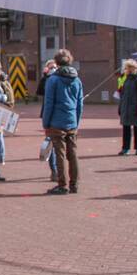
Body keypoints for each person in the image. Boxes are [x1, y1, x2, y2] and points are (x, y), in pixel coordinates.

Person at [43, 49, 84, 195]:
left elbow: (48, 103)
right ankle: (74, 184)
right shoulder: (77, 80)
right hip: (71, 121)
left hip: (56, 122)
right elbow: (80, 104)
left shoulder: (53, 80)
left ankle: (62, 185)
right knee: (72, 153)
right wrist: (76, 121)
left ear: (57, 62)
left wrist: (46, 124)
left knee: (59, 154)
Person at [117, 59, 137, 156]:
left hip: (134, 109)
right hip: (126, 108)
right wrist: (120, 107)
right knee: (126, 129)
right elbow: (122, 95)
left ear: (134, 68)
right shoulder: (125, 80)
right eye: (126, 68)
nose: (127, 70)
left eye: (129, 68)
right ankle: (125, 148)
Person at [36, 59, 58, 181]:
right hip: (49, 115)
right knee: (51, 143)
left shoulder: (61, 78)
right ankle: (54, 171)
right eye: (50, 67)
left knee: (60, 144)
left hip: (60, 114)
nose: (53, 69)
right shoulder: (47, 80)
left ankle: (60, 170)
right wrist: (45, 77)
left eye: (54, 67)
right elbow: (39, 92)